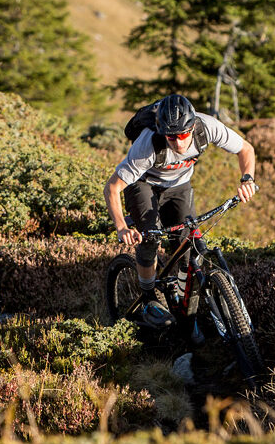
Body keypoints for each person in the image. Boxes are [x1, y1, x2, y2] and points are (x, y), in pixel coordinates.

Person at [103, 94, 256, 326]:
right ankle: (148, 296)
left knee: (187, 246)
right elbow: (112, 187)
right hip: (143, 184)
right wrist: (122, 227)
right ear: (161, 131)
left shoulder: (208, 128)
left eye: (184, 135)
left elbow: (245, 149)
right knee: (150, 238)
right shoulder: (147, 146)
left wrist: (247, 179)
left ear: (192, 126)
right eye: (171, 137)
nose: (179, 143)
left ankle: (186, 305)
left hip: (178, 185)